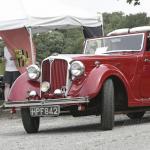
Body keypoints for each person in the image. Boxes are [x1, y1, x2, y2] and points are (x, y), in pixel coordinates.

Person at [3, 46, 20, 113]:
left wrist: (15, 58)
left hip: (16, 69)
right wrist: (4, 60)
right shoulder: (4, 48)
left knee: (15, 85)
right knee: (6, 85)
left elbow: (21, 57)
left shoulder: (14, 45)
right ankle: (6, 102)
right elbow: (5, 58)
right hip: (7, 69)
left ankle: (17, 101)